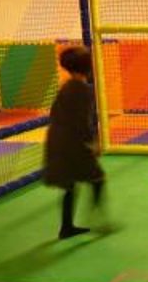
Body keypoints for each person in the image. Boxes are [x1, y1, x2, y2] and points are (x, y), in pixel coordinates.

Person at [44, 46, 105, 239]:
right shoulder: (83, 90)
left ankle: (66, 227)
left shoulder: (67, 86)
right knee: (97, 177)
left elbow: (55, 113)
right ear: (87, 67)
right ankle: (97, 217)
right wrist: (92, 143)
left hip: (57, 141)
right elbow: (83, 122)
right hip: (72, 143)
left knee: (70, 185)